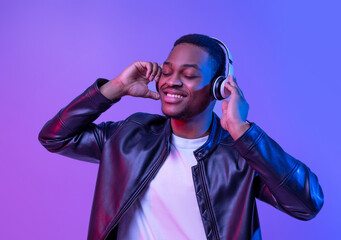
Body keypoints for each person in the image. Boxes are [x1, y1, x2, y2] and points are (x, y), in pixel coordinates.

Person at [38, 34, 324, 240]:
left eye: (188, 74)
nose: (171, 81)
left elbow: (307, 204)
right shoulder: (131, 135)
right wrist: (116, 87)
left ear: (219, 88)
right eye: (167, 71)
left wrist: (242, 131)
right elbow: (55, 137)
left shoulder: (241, 154)